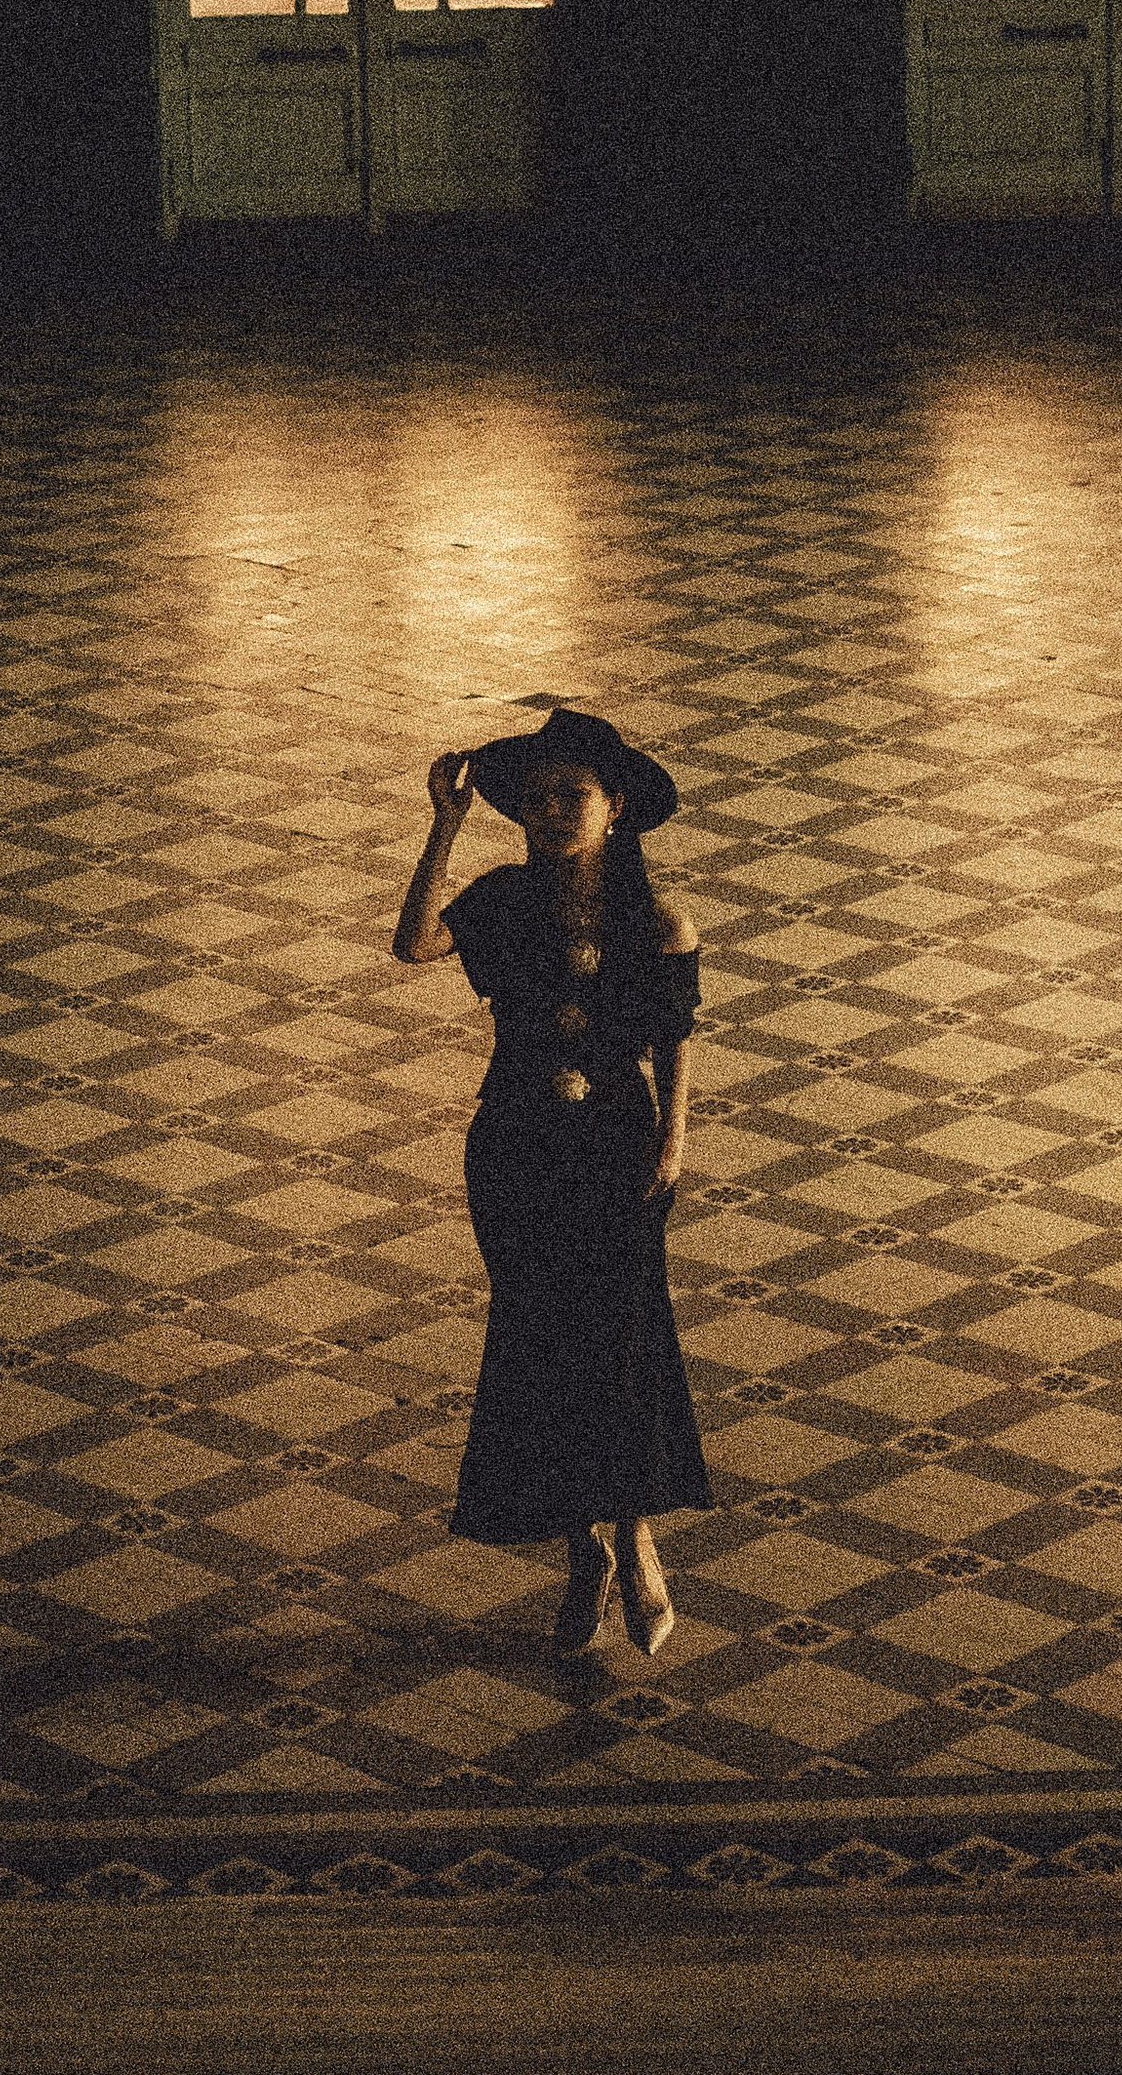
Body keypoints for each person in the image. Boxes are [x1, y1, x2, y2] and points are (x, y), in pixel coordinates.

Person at [392, 703, 712, 1654]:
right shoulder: (500, 900)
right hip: (517, 1145)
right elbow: (415, 945)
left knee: (623, 1341)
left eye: (572, 794)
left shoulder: (658, 919)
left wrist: (673, 1143)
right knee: (537, 1343)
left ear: (616, 806)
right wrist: (443, 827)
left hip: (616, 1143)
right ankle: (582, 1549)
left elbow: (674, 1040)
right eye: (535, 801)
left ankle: (636, 1537)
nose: (552, 813)